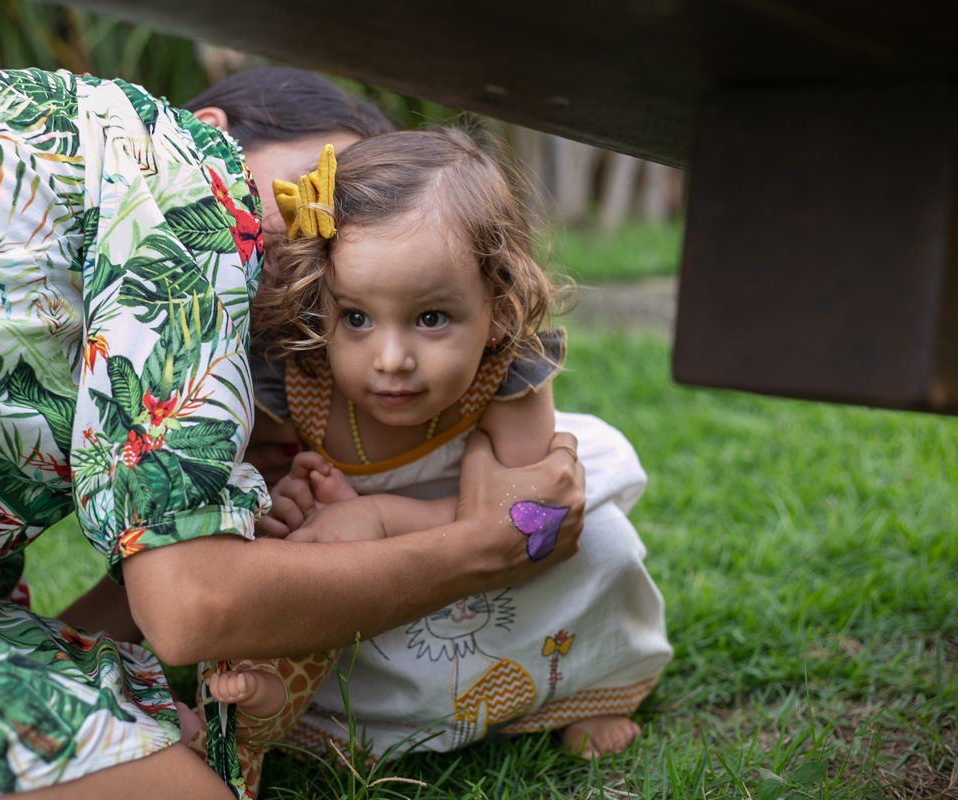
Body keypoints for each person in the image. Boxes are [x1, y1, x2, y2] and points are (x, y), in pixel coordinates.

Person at [0, 68, 585, 799]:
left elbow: (113, 602)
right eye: (325, 195)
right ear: (210, 128)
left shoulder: (59, 221)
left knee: (127, 712)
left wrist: (211, 517)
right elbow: (192, 608)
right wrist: (482, 548)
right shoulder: (188, 185)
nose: (324, 257)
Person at [225, 127, 672, 763]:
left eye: (431, 318)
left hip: (500, 549)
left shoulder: (506, 375)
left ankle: (592, 686)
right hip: (393, 576)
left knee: (604, 548)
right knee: (294, 577)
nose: (391, 359)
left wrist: (375, 516)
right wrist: (286, 501)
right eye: (355, 317)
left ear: (498, 302)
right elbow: (245, 482)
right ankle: (303, 710)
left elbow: (525, 520)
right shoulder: (298, 380)